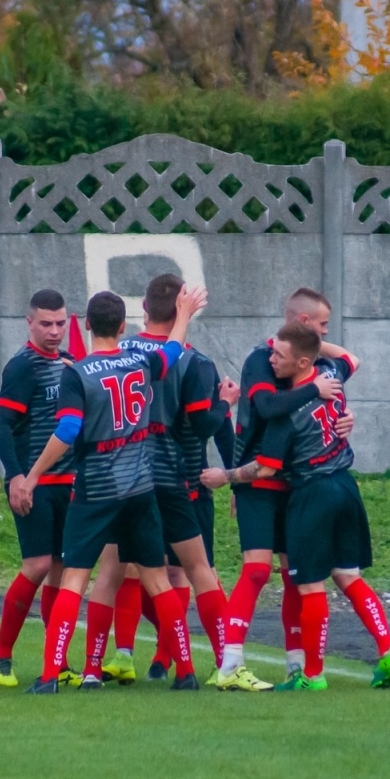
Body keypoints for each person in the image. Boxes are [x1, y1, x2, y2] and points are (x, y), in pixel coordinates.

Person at [14, 286, 207, 694]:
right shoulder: (140, 362)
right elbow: (172, 351)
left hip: (96, 491)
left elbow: (68, 429)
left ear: (86, 324)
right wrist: (184, 314)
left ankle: (49, 676)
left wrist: (32, 475)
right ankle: (186, 672)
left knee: (75, 579)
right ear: (122, 327)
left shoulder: (78, 373)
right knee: (157, 579)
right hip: (140, 489)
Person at [204, 322, 390, 691]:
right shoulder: (332, 376)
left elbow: (266, 466)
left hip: (312, 493)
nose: (271, 358)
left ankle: (311, 674)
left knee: (309, 585)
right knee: (348, 576)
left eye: (279, 354)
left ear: (301, 361)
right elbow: (350, 358)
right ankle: (388, 650)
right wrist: (314, 348)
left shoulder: (287, 413)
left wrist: (225, 477)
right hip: (346, 486)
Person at [92, 274, 246, 688]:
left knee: (122, 571)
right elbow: (204, 425)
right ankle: (220, 664)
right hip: (179, 478)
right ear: (185, 309)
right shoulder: (195, 362)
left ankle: (114, 660)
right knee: (192, 571)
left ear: (143, 308)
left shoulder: (119, 352)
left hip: (120, 479)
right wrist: (225, 406)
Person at [216, 289, 368, 683]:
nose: (326, 332)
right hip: (257, 477)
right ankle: (230, 663)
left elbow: (350, 360)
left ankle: (297, 666)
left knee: (294, 577)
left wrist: (342, 414)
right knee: (256, 571)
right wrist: (314, 389)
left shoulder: (308, 361)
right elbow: (268, 408)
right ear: (303, 321)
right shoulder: (262, 360)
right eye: (321, 325)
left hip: (296, 484)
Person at [0, 289, 78, 688]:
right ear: (29, 323)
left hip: (69, 484)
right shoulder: (22, 367)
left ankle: (57, 662)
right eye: (46, 324)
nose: (54, 331)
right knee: (38, 565)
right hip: (34, 483)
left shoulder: (69, 363)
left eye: (60, 323)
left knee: (62, 570)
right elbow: (0, 425)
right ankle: (1, 656)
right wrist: (16, 476)